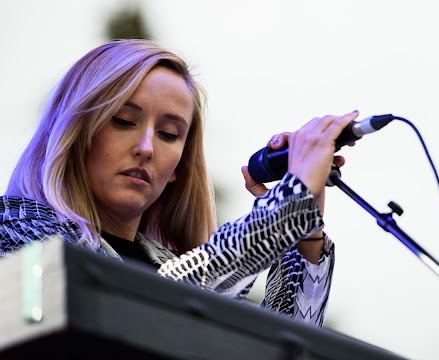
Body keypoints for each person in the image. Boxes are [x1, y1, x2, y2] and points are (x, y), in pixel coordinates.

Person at [0, 40, 358, 327]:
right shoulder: (16, 228)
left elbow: (284, 349)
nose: (145, 148)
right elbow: (143, 311)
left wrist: (306, 231)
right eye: (124, 121)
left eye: (169, 134)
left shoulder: (172, 267)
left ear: (178, 167)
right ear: (76, 134)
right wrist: (287, 206)